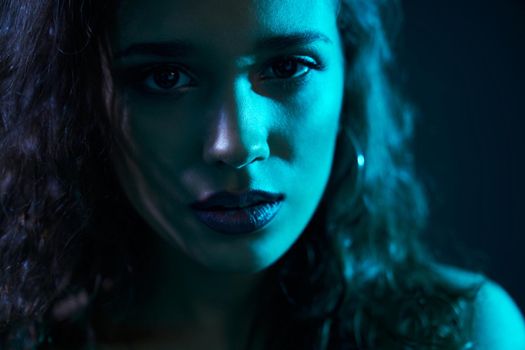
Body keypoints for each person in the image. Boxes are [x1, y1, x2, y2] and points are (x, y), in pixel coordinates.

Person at [0, 0, 524, 349]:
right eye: (166, 77)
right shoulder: (28, 338)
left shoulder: (464, 333)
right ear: (83, 97)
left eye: (287, 66)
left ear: (350, 72)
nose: (234, 145)